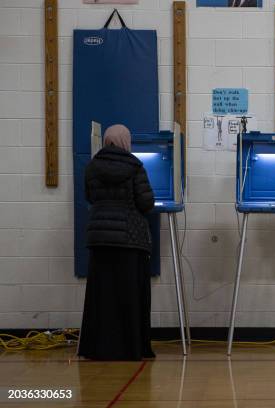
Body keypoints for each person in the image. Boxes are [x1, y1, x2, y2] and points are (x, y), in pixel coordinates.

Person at [78, 124, 156, 361]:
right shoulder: (135, 167)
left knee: (101, 295)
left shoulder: (92, 166)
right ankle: (131, 348)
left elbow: (89, 197)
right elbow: (146, 203)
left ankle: (98, 349)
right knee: (130, 295)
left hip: (100, 238)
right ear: (126, 141)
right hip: (130, 239)